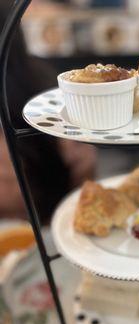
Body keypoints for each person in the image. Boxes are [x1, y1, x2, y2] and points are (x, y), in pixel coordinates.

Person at [0, 0, 96, 223]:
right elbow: (85, 165)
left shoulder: (44, 88)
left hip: (41, 226)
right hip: (57, 218)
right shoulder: (44, 80)